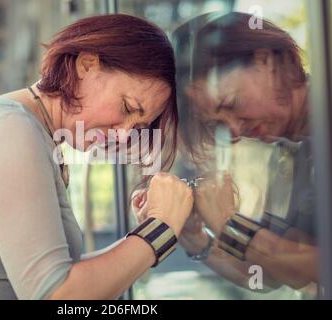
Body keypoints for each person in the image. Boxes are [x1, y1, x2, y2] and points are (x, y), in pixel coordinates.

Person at [0, 14, 193, 300]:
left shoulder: (29, 131)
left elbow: (57, 276)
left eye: (138, 127)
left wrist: (149, 231)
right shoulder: (9, 129)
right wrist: (160, 229)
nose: (123, 135)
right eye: (128, 107)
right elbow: (55, 294)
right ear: (87, 65)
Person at [134, 12, 318, 293]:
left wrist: (229, 223)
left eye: (231, 104)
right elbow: (281, 273)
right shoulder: (300, 152)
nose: (233, 131)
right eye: (217, 124)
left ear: (264, 61)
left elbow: (317, 266)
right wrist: (197, 239)